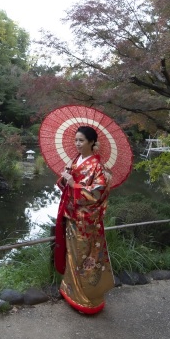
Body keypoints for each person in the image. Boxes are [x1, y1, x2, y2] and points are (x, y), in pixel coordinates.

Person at [53, 125, 114, 315]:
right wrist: (65, 179)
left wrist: (74, 185)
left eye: (81, 140)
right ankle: (69, 291)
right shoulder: (76, 160)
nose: (77, 144)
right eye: (76, 140)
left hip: (86, 222)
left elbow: (98, 192)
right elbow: (67, 186)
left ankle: (86, 298)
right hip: (71, 215)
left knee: (83, 257)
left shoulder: (98, 166)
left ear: (92, 142)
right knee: (71, 254)